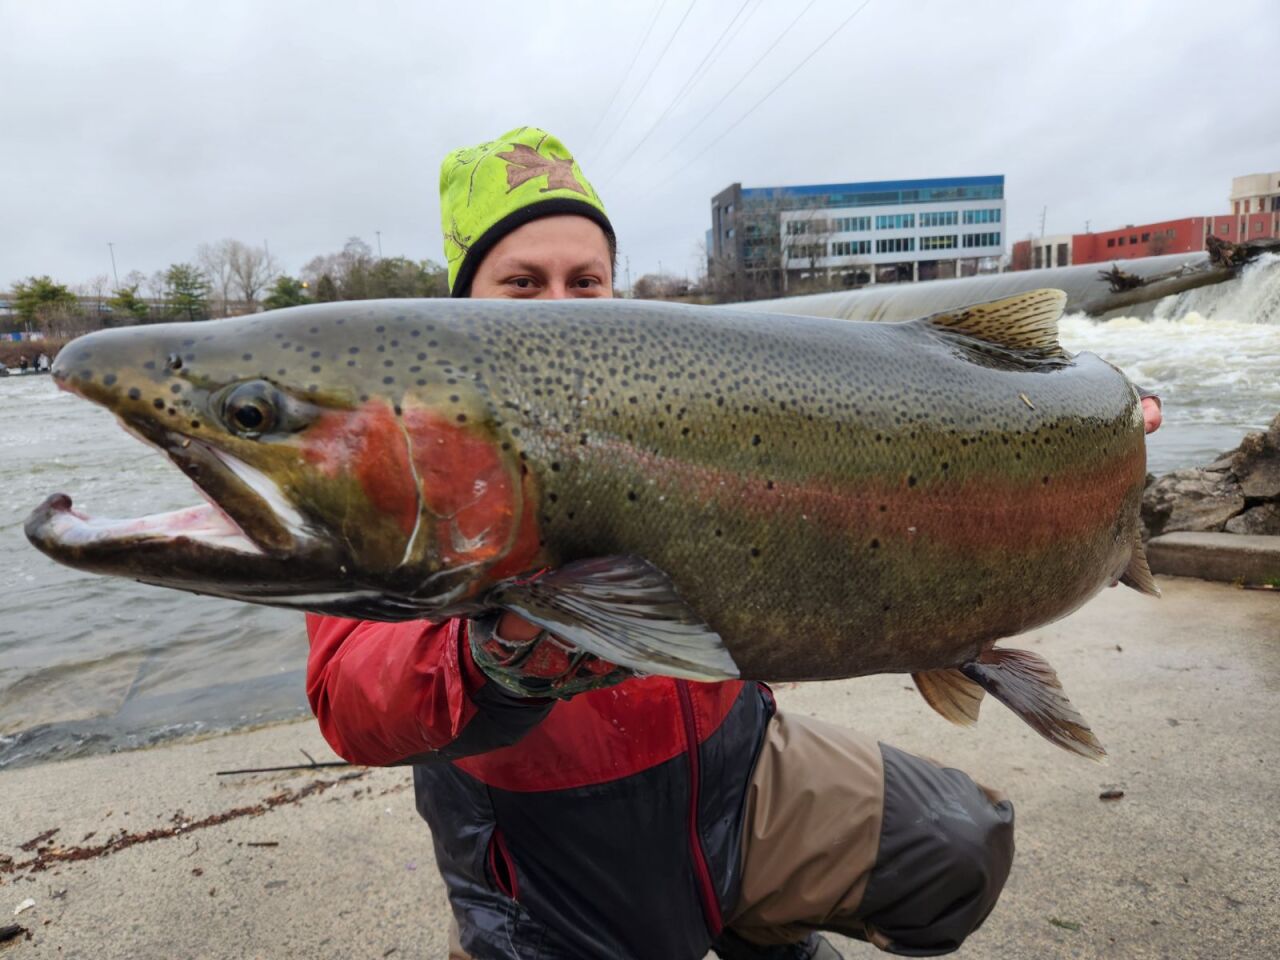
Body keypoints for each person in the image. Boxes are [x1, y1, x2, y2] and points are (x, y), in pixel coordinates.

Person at [307, 127, 1162, 960]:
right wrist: (486, 664)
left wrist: (1074, 470)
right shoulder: (401, 470)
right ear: (461, 307)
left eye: (586, 281)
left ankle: (757, 921)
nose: (560, 308)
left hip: (732, 764)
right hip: (549, 838)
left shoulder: (669, 402)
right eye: (523, 283)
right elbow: (352, 694)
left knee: (958, 847)